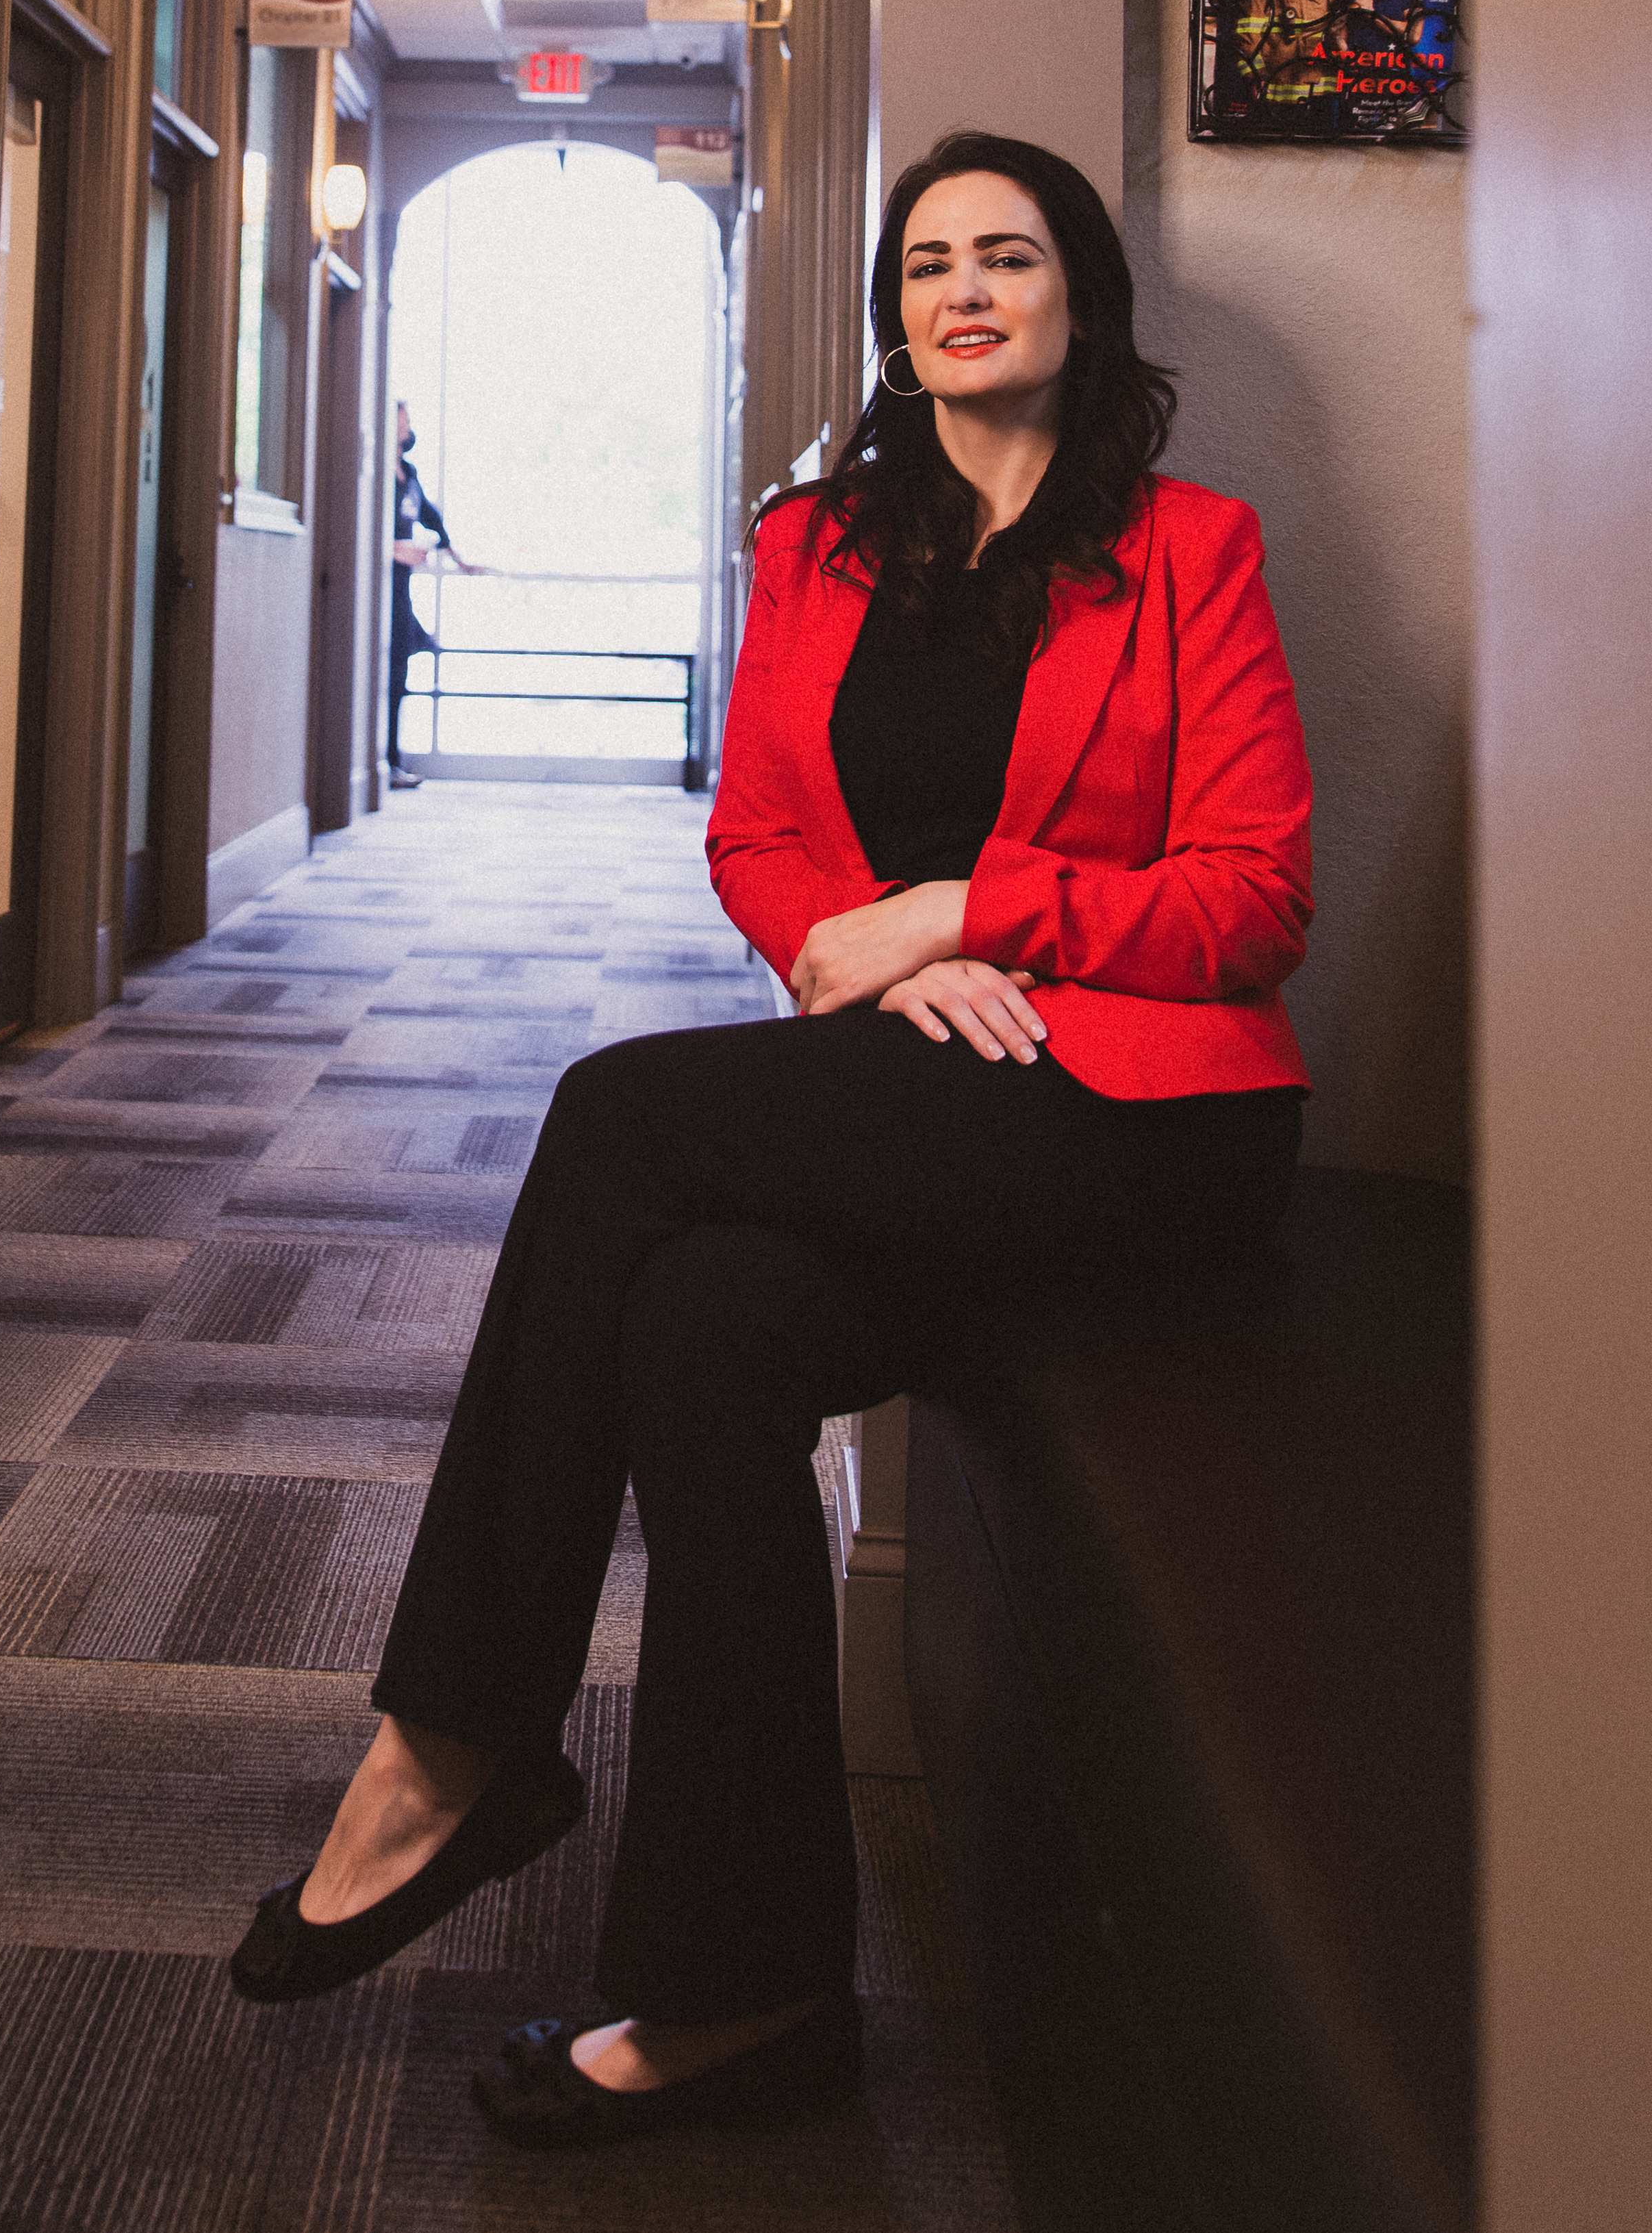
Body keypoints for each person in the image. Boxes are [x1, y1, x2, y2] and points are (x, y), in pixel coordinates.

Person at [230, 131, 1312, 2150]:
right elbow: (757, 837)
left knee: (615, 1110)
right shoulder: (819, 541)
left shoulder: (1190, 548)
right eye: (924, 263)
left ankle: (451, 1736)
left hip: (1143, 1119)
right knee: (702, 1324)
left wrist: (969, 910)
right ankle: (750, 1991)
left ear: (1081, 300)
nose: (959, 286)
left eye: (1007, 255)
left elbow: (1251, 899)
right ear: (892, 316)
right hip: (913, 1075)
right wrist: (864, 961)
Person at [386, 398, 483, 788]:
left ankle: (392, 760)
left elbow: (432, 520)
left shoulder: (408, 474)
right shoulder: (376, 474)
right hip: (378, 590)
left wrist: (458, 558)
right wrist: (394, 548)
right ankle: (383, 762)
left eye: (405, 419)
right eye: (398, 418)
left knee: (400, 671)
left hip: (401, 590)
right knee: (387, 669)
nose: (404, 424)